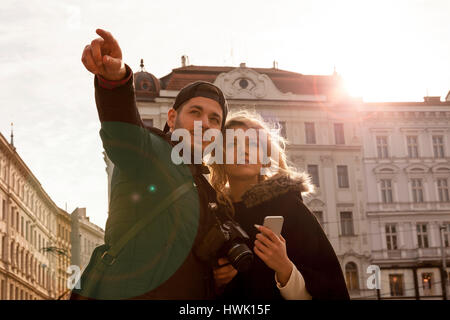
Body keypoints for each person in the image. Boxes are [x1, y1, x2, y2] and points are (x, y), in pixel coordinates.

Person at [70, 29, 231, 299]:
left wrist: (223, 272)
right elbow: (124, 131)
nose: (206, 124)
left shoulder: (209, 190)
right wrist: (116, 80)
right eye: (195, 112)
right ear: (171, 118)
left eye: (215, 120)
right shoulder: (150, 153)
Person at [209, 110, 350, 300]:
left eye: (252, 143)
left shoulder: (289, 207)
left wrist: (284, 267)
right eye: (233, 143)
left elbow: (328, 286)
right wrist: (215, 282)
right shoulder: (213, 214)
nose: (244, 150)